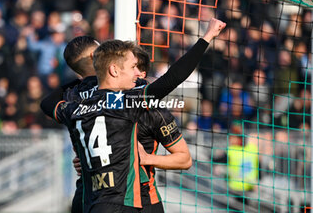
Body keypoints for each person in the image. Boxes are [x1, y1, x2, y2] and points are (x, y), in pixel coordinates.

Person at [41, 18, 226, 212]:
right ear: (109, 67)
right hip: (130, 199)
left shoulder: (74, 102)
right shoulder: (128, 101)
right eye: (133, 67)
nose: (138, 74)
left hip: (90, 199)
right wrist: (207, 36)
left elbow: (46, 104)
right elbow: (172, 78)